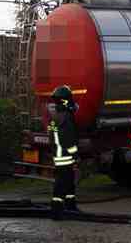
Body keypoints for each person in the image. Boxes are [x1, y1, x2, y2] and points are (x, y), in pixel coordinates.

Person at [48, 85, 80, 220]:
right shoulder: (66, 117)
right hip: (66, 156)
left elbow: (51, 137)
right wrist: (75, 155)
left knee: (68, 181)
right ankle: (57, 212)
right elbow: (69, 140)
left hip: (58, 155)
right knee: (62, 183)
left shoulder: (54, 117)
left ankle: (70, 206)